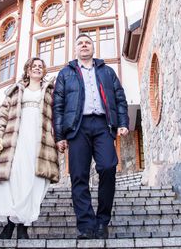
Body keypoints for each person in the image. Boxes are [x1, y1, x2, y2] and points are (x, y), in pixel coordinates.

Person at [53, 33, 129, 239]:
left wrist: (122, 122)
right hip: (77, 127)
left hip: (103, 125)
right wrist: (59, 136)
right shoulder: (65, 74)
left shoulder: (107, 71)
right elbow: (58, 106)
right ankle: (86, 225)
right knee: (79, 176)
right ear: (75, 49)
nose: (84, 45)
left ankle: (102, 221)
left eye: (88, 43)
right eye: (80, 43)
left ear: (93, 48)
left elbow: (120, 98)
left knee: (108, 167)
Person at [0, 57, 59, 240]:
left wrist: (60, 138)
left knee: (32, 181)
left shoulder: (50, 91)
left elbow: (57, 116)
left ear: (43, 71)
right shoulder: (15, 90)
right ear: (27, 70)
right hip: (16, 140)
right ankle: (10, 224)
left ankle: (24, 226)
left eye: (40, 67)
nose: (37, 69)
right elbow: (3, 116)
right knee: (14, 180)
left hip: (40, 141)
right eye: (33, 66)